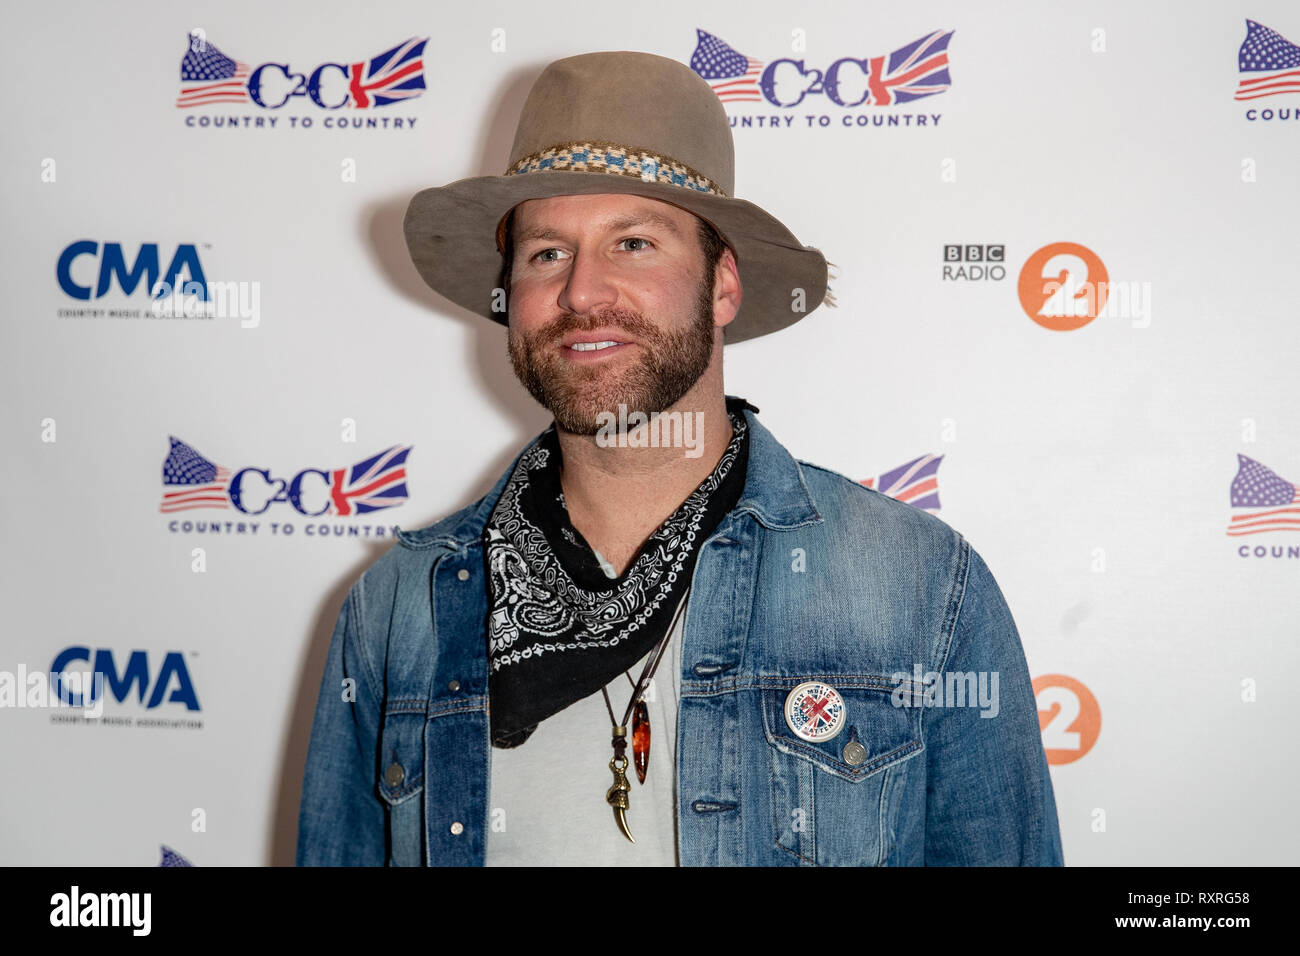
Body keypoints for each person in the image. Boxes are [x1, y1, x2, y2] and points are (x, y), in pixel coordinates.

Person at [295, 50, 1063, 866]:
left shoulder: (916, 588)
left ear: (722, 286)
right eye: (546, 253)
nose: (583, 291)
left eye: (633, 243)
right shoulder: (398, 609)